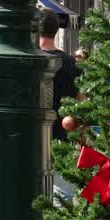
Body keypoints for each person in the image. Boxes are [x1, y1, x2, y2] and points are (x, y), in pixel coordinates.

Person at [38, 11, 80, 141]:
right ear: (56, 29)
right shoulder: (71, 63)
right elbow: (81, 99)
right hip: (63, 134)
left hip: (33, 133)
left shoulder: (29, 62)